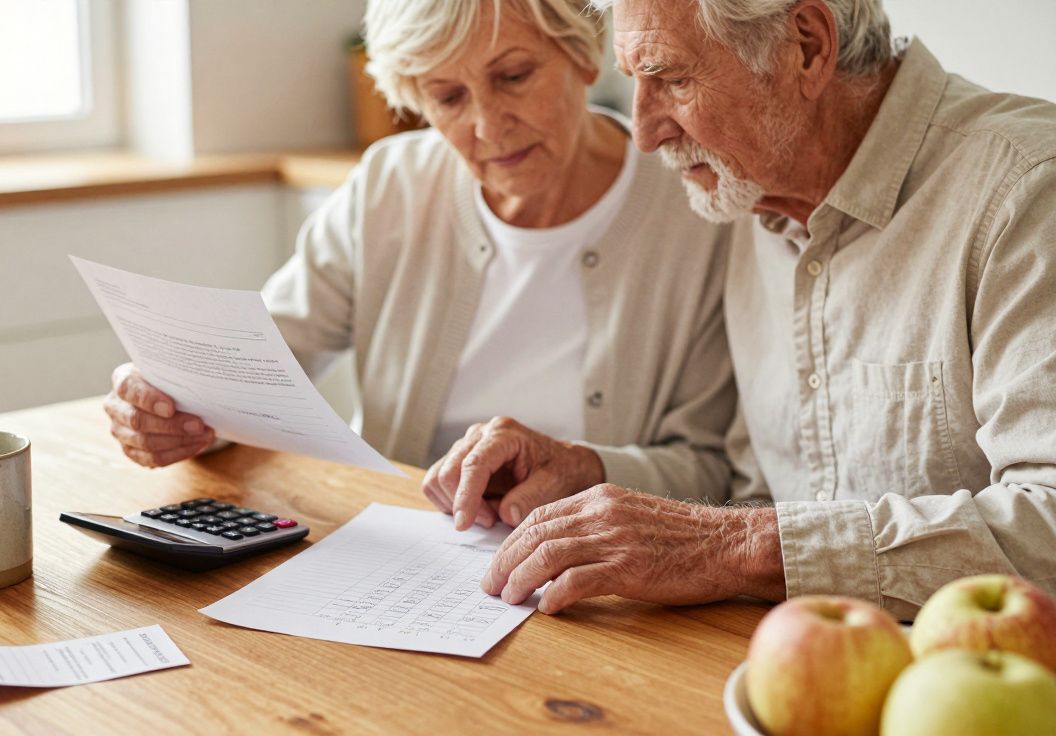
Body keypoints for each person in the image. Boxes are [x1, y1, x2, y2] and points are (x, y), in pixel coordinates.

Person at [449, 0, 1056, 618]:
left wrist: (739, 548)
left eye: (673, 79)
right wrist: (586, 472)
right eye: (635, 81)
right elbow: (746, 489)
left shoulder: (1029, 193)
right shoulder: (747, 191)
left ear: (808, 47)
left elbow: (1049, 527)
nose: (646, 131)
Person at [104, 0, 739, 528]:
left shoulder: (696, 206)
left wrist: (586, 466)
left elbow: (709, 467)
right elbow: (259, 366)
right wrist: (175, 406)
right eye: (448, 96)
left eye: (514, 76)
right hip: (400, 557)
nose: (488, 126)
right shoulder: (390, 184)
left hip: (598, 580)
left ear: (583, 54)